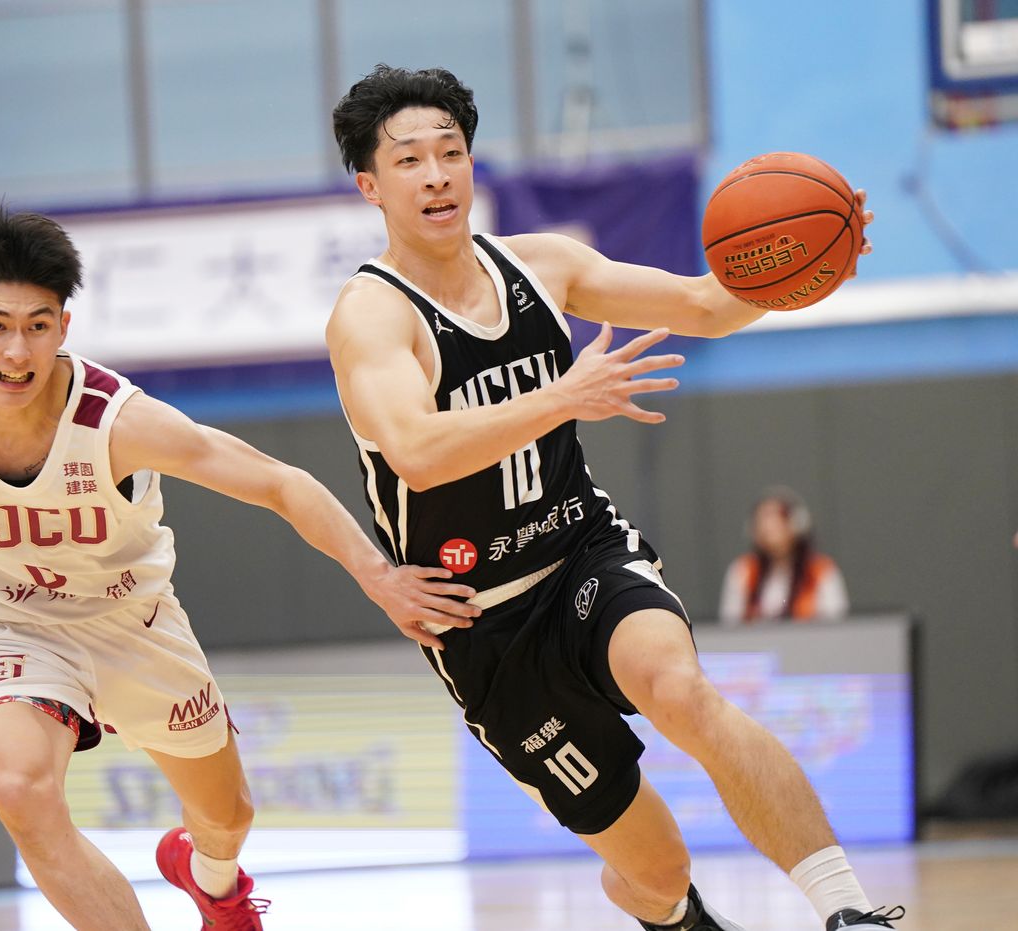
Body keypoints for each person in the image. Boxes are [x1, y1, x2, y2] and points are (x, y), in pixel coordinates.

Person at [0, 201, 481, 931]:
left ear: (64, 327)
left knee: (227, 817)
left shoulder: (118, 423)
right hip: (8, 627)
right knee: (22, 792)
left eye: (37, 327)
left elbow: (279, 482)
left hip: (135, 626)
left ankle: (215, 884)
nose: (16, 353)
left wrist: (378, 575)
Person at [326, 65, 902, 931]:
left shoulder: (543, 265)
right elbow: (416, 452)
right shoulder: (372, 316)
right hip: (481, 622)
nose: (437, 175)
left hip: (581, 552)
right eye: (409, 160)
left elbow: (703, 304)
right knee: (655, 870)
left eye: (452, 152)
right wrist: (562, 397)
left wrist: (809, 262)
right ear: (371, 186)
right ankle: (673, 914)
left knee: (682, 690)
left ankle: (850, 910)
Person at [718, 486, 849, 625]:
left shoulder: (820, 570)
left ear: (797, 524)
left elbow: (836, 623)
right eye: (763, 521)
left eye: (778, 519)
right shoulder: (743, 571)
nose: (769, 528)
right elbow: (731, 624)